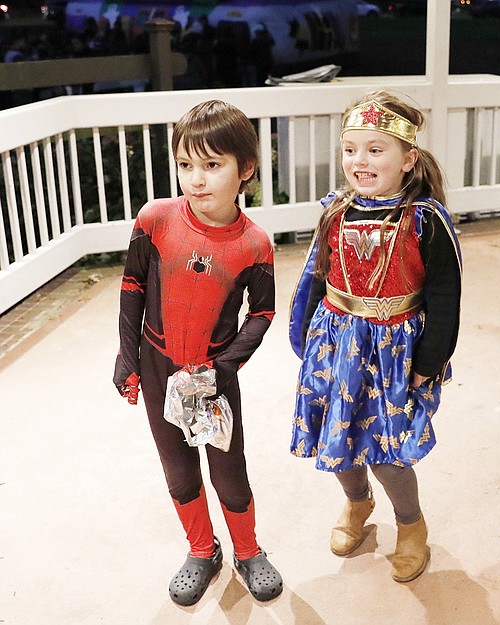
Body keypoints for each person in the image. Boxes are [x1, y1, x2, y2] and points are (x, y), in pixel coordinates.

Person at [113, 99, 283, 606]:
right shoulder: (156, 220)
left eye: (212, 165)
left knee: (228, 468)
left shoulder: (254, 244)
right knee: (178, 466)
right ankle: (202, 550)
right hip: (157, 362)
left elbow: (263, 314)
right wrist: (127, 358)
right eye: (186, 164)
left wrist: (222, 366)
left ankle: (248, 552)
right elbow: (131, 287)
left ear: (245, 169)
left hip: (213, 374)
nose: (196, 179)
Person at [289, 90, 462, 583]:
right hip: (336, 346)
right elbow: (319, 275)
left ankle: (411, 525)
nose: (359, 161)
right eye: (350, 150)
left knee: (386, 453)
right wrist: (306, 335)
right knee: (336, 437)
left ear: (408, 159)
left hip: (393, 354)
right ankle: (356, 504)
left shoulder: (426, 221)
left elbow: (445, 297)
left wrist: (429, 361)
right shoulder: (335, 211)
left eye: (374, 149)